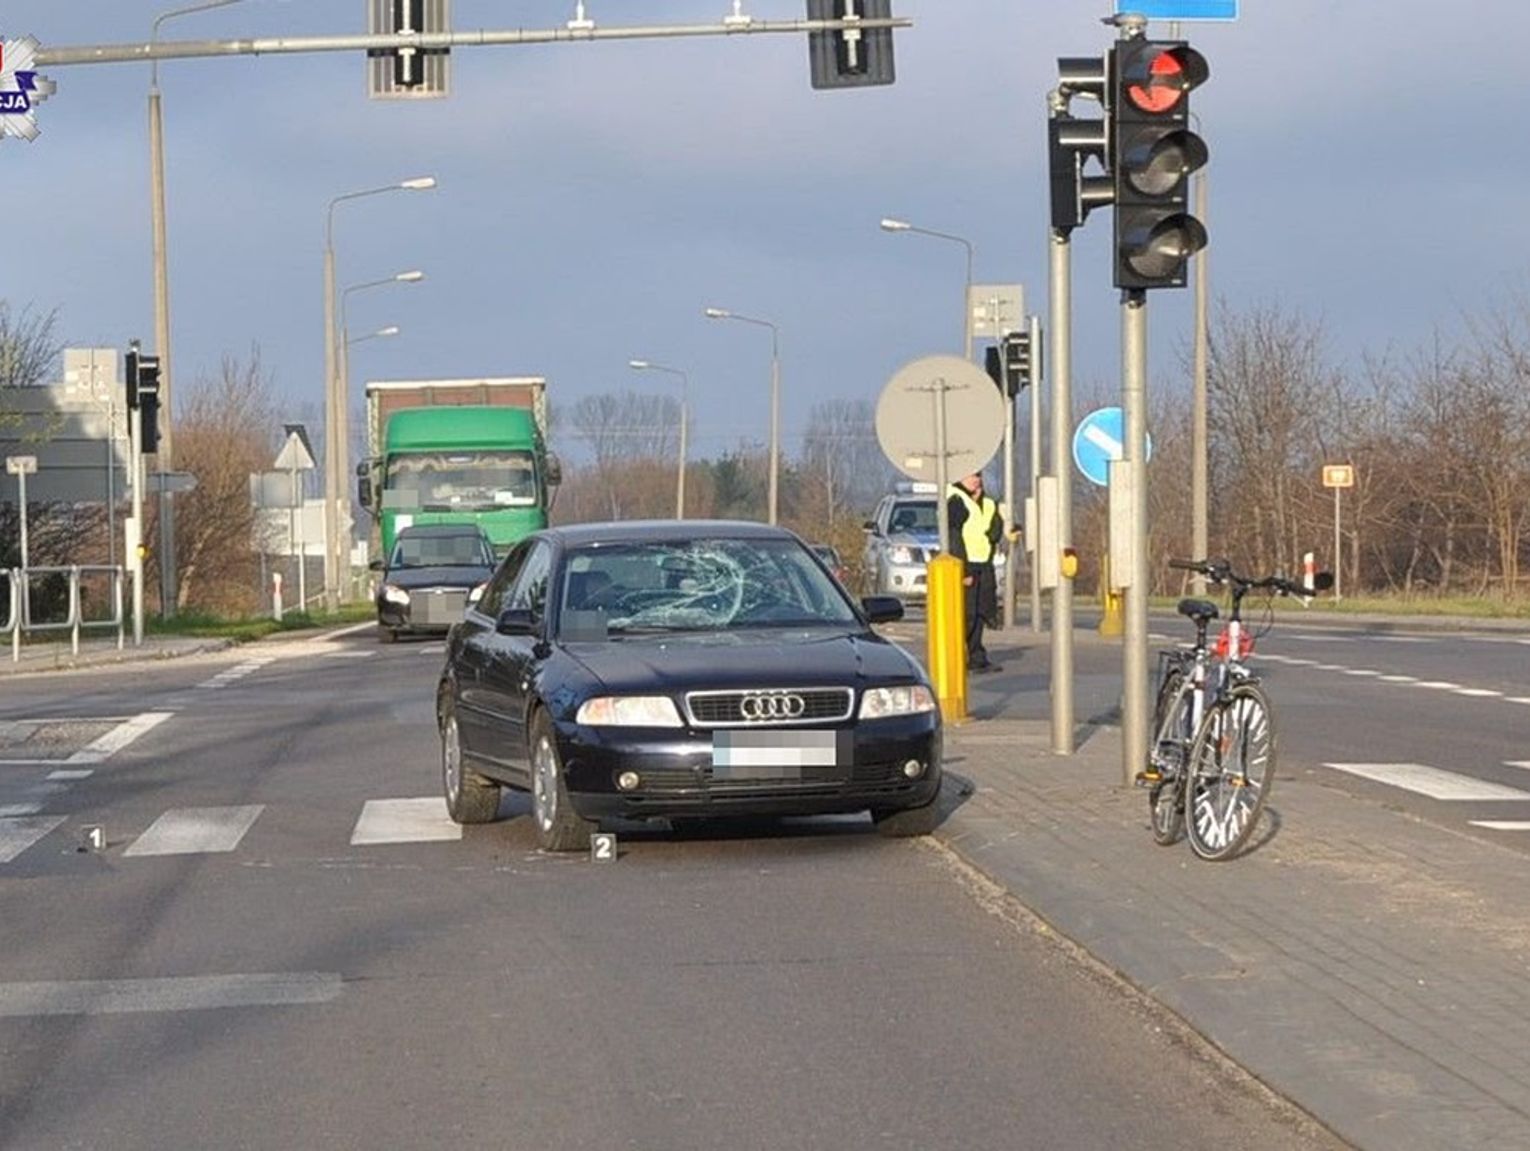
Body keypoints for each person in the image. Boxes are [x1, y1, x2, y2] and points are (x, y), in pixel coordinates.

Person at [946, 471, 1014, 674]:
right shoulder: (955, 500)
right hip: (966, 565)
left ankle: (977, 657)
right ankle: (957, 656)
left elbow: (994, 531)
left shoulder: (988, 503)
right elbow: (954, 537)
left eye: (979, 476)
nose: (977, 480)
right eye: (972, 476)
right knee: (966, 614)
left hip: (984, 563)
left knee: (981, 612)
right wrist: (963, 569)